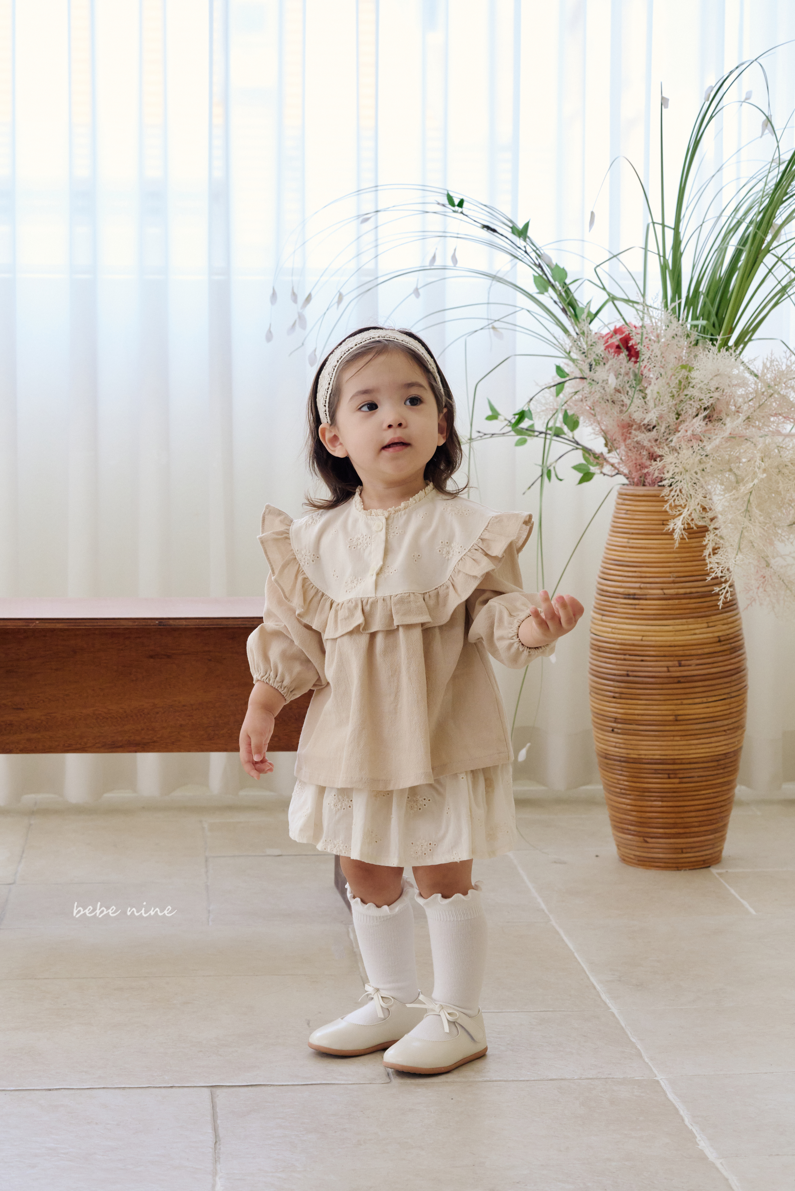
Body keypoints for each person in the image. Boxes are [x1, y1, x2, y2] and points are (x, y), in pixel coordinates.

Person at [239, 326, 584, 1076]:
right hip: (351, 736)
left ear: (441, 425)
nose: (392, 415)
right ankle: (391, 998)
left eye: (412, 400)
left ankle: (459, 1013)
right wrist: (265, 702)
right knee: (364, 866)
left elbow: (496, 615)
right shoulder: (311, 541)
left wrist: (533, 625)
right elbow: (292, 636)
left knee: (440, 870)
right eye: (367, 405)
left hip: (440, 733)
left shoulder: (467, 532)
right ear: (334, 438)